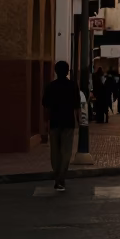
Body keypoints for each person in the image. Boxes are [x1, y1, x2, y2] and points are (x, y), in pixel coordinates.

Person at [42, 60, 81, 191]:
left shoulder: (50, 86)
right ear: (67, 71)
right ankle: (61, 178)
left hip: (54, 122)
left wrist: (46, 122)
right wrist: (79, 121)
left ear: (55, 71)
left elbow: (46, 107)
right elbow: (77, 106)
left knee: (55, 152)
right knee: (66, 151)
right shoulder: (72, 86)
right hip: (68, 122)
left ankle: (57, 176)